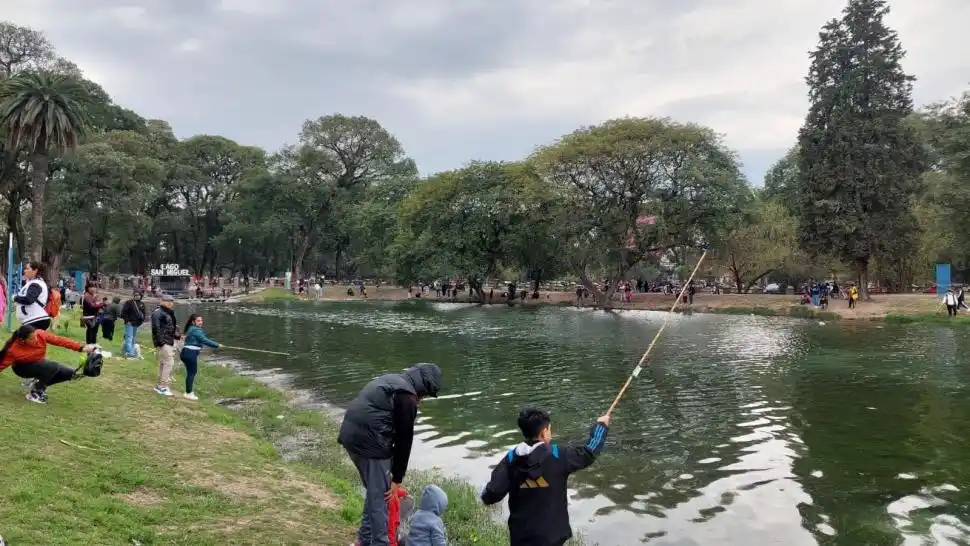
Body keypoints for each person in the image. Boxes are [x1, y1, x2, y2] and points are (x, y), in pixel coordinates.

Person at [337, 363, 444, 546]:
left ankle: (362, 540)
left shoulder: (391, 381)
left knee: (375, 492)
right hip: (372, 444)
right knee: (383, 499)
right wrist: (397, 479)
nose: (423, 399)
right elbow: (404, 440)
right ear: (423, 388)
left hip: (350, 437)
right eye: (425, 395)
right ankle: (380, 542)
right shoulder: (407, 398)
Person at [480, 408, 611, 546]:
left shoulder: (511, 458)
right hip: (551, 537)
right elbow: (589, 453)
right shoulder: (558, 455)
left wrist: (483, 494)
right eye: (549, 429)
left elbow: (492, 493)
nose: (550, 432)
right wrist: (601, 427)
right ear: (543, 432)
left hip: (521, 536)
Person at [0, 324, 95, 404]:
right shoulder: (13, 350)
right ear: (22, 340)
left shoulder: (40, 334)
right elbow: (1, 365)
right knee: (52, 366)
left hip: (39, 364)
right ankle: (35, 392)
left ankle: (38, 384)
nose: (36, 339)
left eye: (35, 336)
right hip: (22, 368)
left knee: (70, 374)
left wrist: (81, 348)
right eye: (32, 338)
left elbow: (60, 340)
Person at [180, 313, 220, 401]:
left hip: (186, 353)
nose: (201, 322)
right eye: (198, 321)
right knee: (192, 373)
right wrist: (217, 345)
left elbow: (203, 339)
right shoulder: (195, 329)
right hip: (190, 353)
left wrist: (215, 343)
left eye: (201, 320)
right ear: (193, 322)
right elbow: (204, 340)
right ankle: (188, 393)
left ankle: (188, 392)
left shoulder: (192, 329)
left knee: (190, 373)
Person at [151, 295, 181, 396]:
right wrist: (160, 342)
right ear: (161, 301)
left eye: (172, 301)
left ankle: (160, 386)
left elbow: (169, 327)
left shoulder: (167, 312)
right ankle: (163, 387)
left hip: (169, 341)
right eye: (168, 301)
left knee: (164, 363)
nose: (170, 303)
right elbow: (156, 328)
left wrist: (176, 336)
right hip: (164, 342)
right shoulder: (158, 312)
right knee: (169, 363)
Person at [14, 261, 52, 331]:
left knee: (16, 340)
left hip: (35, 320)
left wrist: (15, 298)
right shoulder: (33, 283)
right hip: (33, 320)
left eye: (27, 269)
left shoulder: (36, 284)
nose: (25, 271)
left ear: (35, 270)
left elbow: (28, 299)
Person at [120, 292, 147, 359]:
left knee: (133, 338)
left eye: (138, 295)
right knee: (129, 337)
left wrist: (140, 322)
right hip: (129, 323)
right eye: (135, 295)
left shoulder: (142, 304)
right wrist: (127, 321)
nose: (137, 296)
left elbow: (143, 314)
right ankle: (130, 353)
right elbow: (123, 313)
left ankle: (130, 352)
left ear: (141, 296)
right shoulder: (129, 303)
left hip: (136, 324)